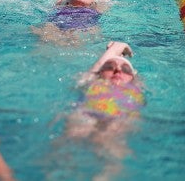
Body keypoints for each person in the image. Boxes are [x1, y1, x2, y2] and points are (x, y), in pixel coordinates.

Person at [53, 41, 145, 180]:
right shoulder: (91, 80)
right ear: (100, 72)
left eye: (125, 69)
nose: (118, 71)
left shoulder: (136, 87)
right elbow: (96, 68)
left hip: (119, 119)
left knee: (111, 154)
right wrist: (117, 48)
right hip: (86, 114)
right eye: (110, 67)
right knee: (64, 152)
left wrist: (117, 53)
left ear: (132, 77)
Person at [32, 0, 110, 45]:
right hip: (55, 24)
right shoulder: (61, 4)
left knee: (74, 41)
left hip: (86, 27)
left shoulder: (96, 6)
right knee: (44, 40)